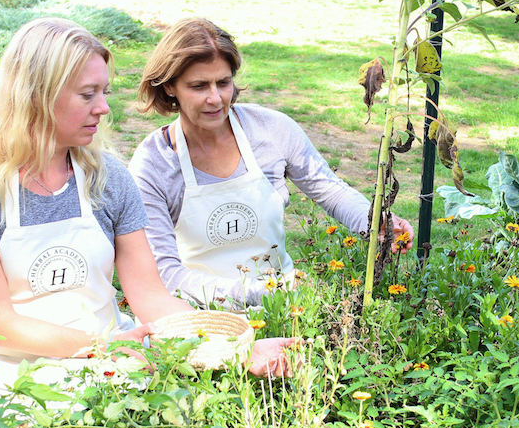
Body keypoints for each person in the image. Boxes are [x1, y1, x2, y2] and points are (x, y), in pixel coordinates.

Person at [0, 17, 291, 398]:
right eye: (87, 94)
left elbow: (150, 295)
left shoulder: (108, 178)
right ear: (36, 94)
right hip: (8, 373)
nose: (104, 108)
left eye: (104, 92)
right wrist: (103, 346)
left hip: (110, 361)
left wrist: (236, 348)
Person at [128, 18, 413, 309]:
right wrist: (262, 293)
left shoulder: (271, 130)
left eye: (223, 83)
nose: (215, 98)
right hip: (199, 316)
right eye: (199, 86)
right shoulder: (154, 163)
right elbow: (166, 275)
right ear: (170, 87)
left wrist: (378, 223)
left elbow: (330, 190)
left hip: (284, 310)